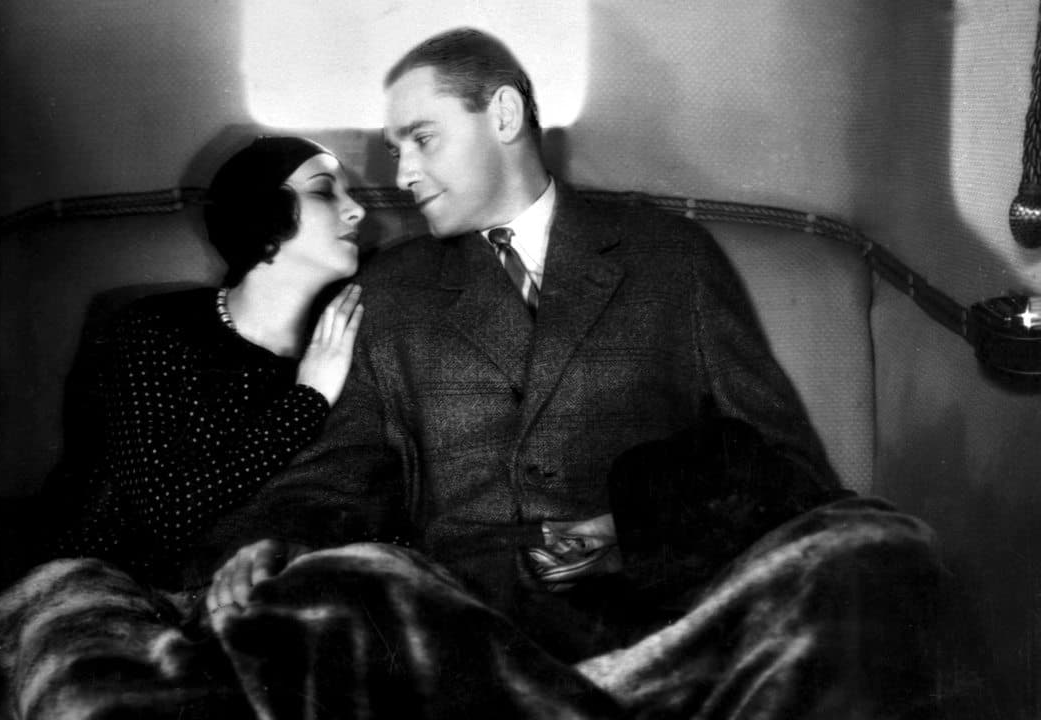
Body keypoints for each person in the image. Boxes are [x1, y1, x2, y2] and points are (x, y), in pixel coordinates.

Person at [200, 28, 943, 718]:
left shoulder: (669, 258)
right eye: (397, 150)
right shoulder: (392, 291)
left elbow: (786, 468)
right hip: (464, 633)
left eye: (422, 140)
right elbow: (330, 480)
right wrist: (271, 543)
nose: (402, 174)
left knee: (874, 545)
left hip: (662, 615)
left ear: (503, 114)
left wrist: (637, 532)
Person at [49, 135, 367, 588]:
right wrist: (308, 399)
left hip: (250, 589)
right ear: (262, 210)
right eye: (323, 191)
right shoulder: (155, 327)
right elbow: (166, 513)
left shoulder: (340, 344)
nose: (358, 210)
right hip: (110, 586)